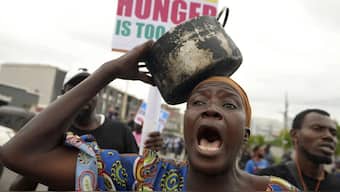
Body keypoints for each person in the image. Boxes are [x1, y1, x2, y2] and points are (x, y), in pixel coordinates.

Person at [0, 41, 299, 191]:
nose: (211, 109)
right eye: (197, 102)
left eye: (229, 105)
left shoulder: (276, 190)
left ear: (245, 135)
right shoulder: (145, 177)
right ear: (185, 126)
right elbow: (20, 154)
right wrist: (109, 71)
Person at [8, 68, 162, 190]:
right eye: (75, 88)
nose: (83, 94)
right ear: (63, 95)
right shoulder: (53, 134)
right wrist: (36, 164)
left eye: (88, 87)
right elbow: (18, 187)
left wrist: (150, 153)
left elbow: (138, 176)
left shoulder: (121, 131)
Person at [257, 109, 340, 192]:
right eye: (317, 128)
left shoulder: (337, 185)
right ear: (294, 135)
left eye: (333, 133)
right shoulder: (266, 180)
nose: (329, 136)